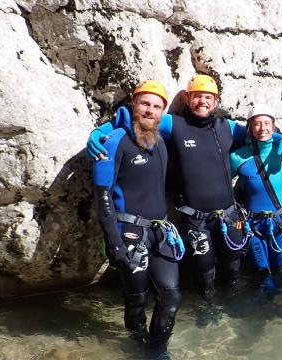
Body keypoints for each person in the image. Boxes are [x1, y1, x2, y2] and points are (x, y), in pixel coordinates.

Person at [86, 75, 282, 303]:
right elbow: (135, 117)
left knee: (233, 268)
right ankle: (210, 311)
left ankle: (232, 309)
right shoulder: (175, 124)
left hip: (229, 215)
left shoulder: (228, 128)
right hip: (196, 220)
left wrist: (281, 138)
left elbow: (259, 130)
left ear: (216, 101)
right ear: (187, 98)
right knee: (205, 274)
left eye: (208, 97)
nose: (202, 101)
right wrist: (99, 131)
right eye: (197, 97)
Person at [93, 80, 184, 359]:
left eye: (157, 106)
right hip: (129, 233)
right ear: (133, 103)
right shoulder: (115, 141)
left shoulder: (161, 142)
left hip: (160, 231)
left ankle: (156, 353)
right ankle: (135, 345)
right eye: (145, 103)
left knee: (171, 297)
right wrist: (113, 243)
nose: (150, 110)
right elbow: (102, 195)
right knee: (136, 299)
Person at [231, 106, 282, 291]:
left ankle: (279, 312)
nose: (262, 128)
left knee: (281, 269)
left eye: (267, 123)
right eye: (257, 124)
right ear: (250, 127)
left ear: (273, 125)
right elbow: (223, 184)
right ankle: (262, 312)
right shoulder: (238, 157)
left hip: (280, 221)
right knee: (263, 274)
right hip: (254, 225)